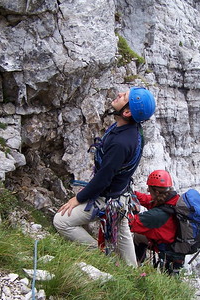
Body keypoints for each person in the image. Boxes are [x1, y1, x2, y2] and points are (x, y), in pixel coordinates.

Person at [53, 87, 156, 267]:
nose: (120, 94)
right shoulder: (130, 130)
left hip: (108, 198)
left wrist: (78, 198)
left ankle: (101, 257)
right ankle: (132, 272)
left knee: (61, 221)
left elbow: (103, 179)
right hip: (121, 194)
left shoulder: (121, 143)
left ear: (127, 111)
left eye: (124, 96)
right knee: (122, 230)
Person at [129, 170, 185, 275]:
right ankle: (138, 264)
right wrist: (132, 194)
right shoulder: (172, 199)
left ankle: (134, 266)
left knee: (168, 280)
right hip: (173, 244)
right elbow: (148, 200)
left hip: (168, 251)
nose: (148, 192)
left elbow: (132, 223)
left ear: (157, 192)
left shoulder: (158, 215)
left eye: (149, 190)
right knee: (138, 237)